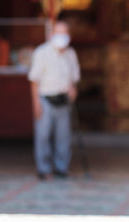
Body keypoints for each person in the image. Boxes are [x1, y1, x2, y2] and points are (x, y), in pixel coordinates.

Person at [28, 21, 80, 180]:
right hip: (45, 98)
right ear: (51, 35)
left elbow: (74, 78)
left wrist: (73, 88)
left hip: (63, 99)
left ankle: (61, 168)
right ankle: (43, 169)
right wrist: (36, 103)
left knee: (63, 136)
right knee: (43, 135)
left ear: (69, 36)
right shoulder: (41, 52)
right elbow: (34, 80)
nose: (61, 37)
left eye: (64, 33)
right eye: (58, 33)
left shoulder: (71, 54)